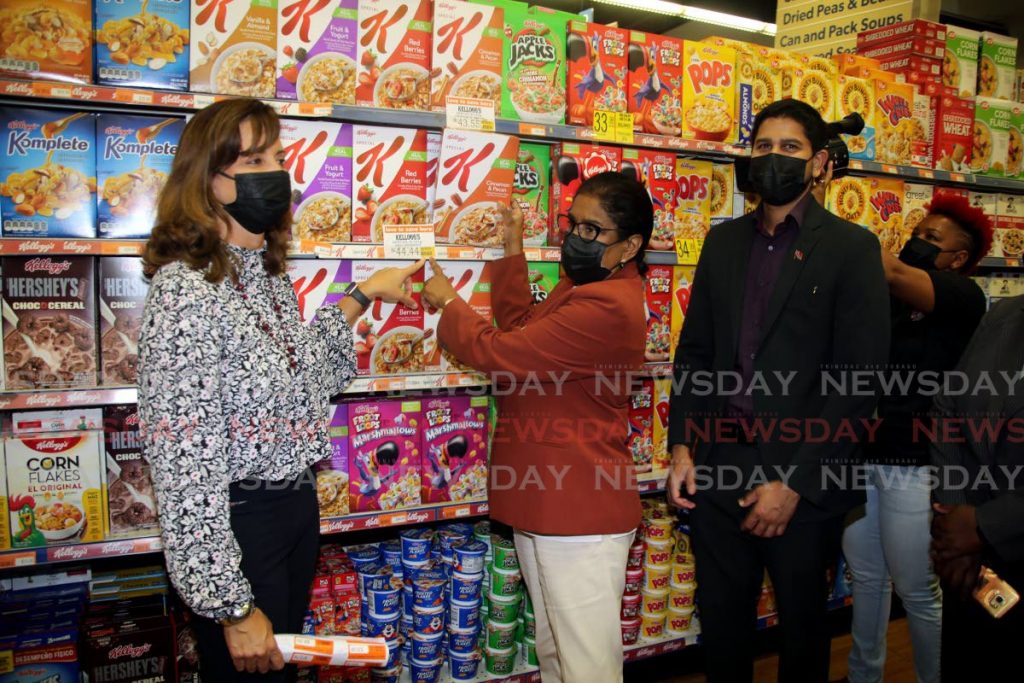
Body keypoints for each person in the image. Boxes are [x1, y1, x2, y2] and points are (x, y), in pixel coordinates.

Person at [137, 98, 421, 682]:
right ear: (210, 180)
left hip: (293, 507)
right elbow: (183, 466)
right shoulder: (184, 294)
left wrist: (362, 294)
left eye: (277, 156)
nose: (276, 171)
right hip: (243, 522)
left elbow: (304, 383)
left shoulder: (261, 275)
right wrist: (232, 608)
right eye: (255, 158)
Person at [667, 99, 890, 683]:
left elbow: (858, 382)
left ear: (818, 163)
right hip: (720, 461)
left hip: (803, 471)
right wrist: (684, 447)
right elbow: (694, 355)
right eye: (763, 146)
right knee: (721, 623)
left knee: (801, 632)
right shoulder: (723, 243)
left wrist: (794, 484)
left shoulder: (851, 248)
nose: (773, 158)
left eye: (790, 148)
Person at [421, 172, 648, 683]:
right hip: (550, 501)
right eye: (574, 224)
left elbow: (502, 354)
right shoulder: (584, 287)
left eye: (593, 231)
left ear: (630, 245)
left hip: (580, 510)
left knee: (588, 667)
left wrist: (449, 302)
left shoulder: (608, 305)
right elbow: (522, 327)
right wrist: (511, 248)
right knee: (555, 651)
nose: (576, 238)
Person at [832, 191, 991, 683]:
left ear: (959, 258)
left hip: (916, 466)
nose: (916, 243)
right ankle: (864, 675)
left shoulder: (965, 298)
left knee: (918, 588)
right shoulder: (893, 303)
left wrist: (821, 202)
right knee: (869, 579)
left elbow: (895, 271)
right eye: (916, 233)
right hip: (864, 456)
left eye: (930, 239)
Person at [929, 293, 1024, 682]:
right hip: (973, 561)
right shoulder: (1005, 313)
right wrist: (956, 514)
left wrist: (986, 524)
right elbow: (947, 407)